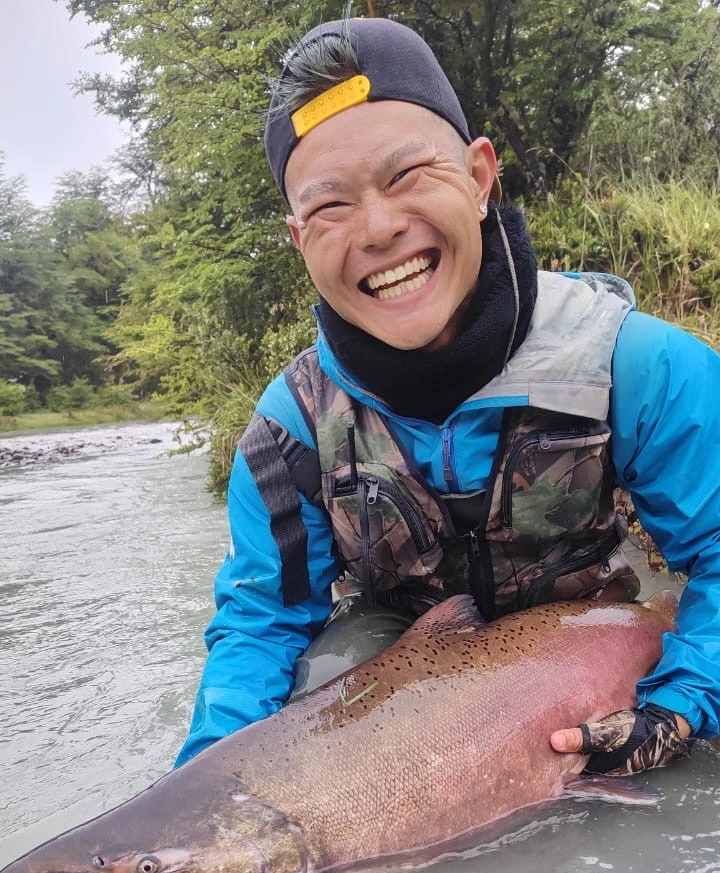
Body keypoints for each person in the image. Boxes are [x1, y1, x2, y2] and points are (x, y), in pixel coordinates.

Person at [175, 16, 719, 776]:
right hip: (404, 653)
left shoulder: (637, 363)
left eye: (407, 177)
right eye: (331, 207)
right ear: (301, 243)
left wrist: (682, 704)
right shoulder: (288, 434)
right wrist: (206, 790)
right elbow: (261, 626)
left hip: (588, 630)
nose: (379, 227)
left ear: (478, 176)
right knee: (316, 698)